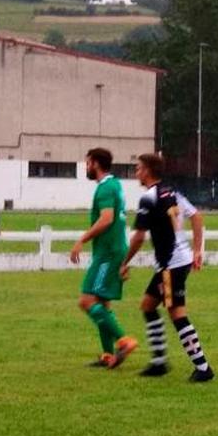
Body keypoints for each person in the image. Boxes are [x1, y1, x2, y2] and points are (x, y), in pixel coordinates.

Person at [119, 153, 215, 382]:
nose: (136, 173)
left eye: (139, 168)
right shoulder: (172, 192)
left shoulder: (149, 198)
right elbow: (197, 217)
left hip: (170, 266)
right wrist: (197, 251)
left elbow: (139, 237)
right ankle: (159, 362)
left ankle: (203, 368)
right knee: (148, 305)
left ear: (149, 170)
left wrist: (124, 263)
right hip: (173, 263)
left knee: (177, 313)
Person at [70, 148, 138, 368]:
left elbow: (107, 218)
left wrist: (83, 239)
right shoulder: (115, 184)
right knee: (102, 303)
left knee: (86, 301)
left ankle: (124, 341)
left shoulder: (105, 188)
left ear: (96, 163)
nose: (86, 166)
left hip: (108, 252)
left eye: (88, 163)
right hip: (114, 249)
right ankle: (108, 355)